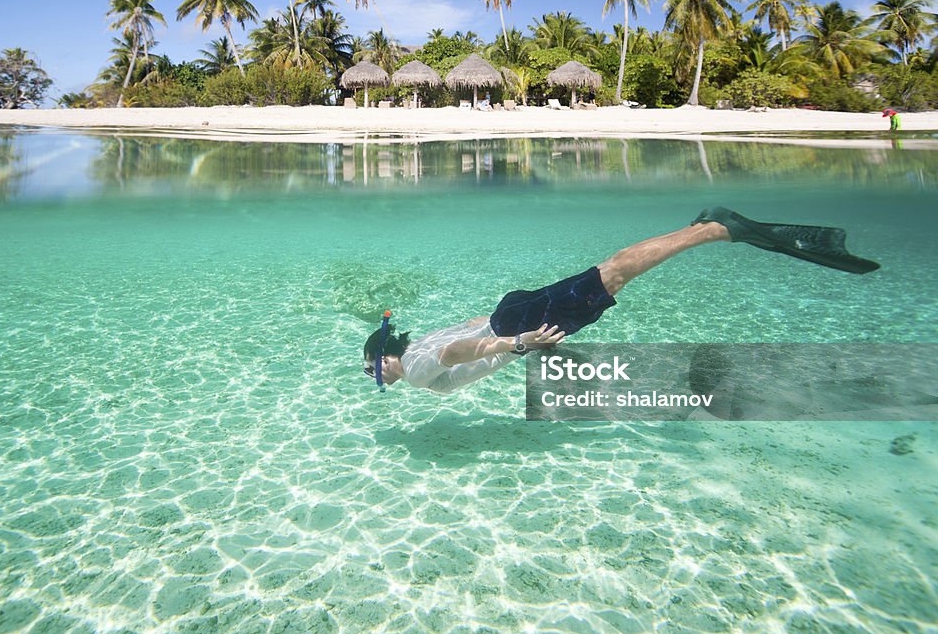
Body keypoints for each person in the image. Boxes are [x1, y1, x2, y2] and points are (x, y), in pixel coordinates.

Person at [361, 206, 880, 394]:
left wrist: (519, 342)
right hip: (507, 313)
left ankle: (718, 228)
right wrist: (512, 329)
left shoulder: (419, 367)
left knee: (611, 275)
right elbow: (468, 325)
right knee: (607, 275)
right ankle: (706, 225)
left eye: (372, 370)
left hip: (515, 326)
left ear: (383, 356)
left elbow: (458, 353)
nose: (378, 377)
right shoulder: (417, 344)